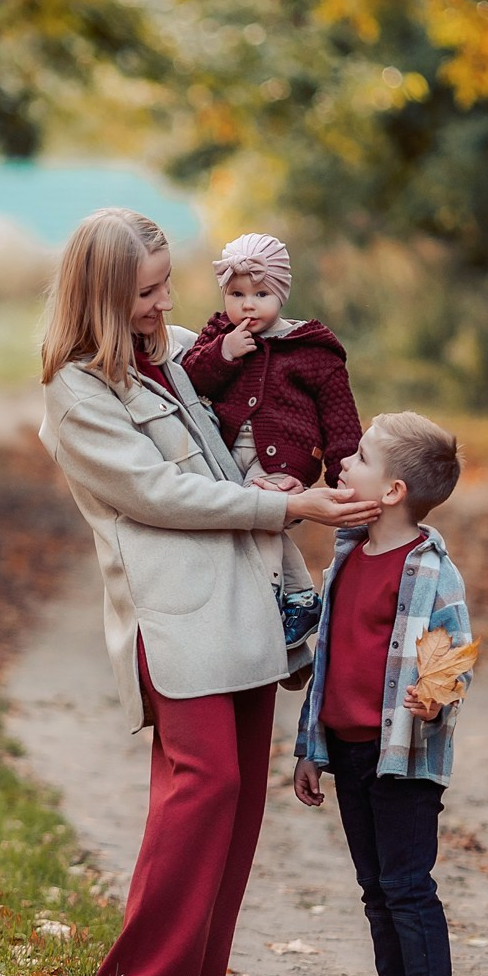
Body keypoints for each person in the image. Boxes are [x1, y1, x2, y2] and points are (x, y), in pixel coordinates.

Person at [38, 207, 379, 976]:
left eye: (165, 286)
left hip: (245, 594)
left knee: (241, 795)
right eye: (145, 293)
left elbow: (266, 407)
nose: (164, 304)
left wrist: (301, 465)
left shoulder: (181, 355)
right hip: (175, 611)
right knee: (203, 781)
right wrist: (285, 507)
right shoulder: (76, 389)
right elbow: (156, 493)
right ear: (100, 296)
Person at [291, 412, 476, 976]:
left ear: (393, 490)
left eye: (361, 456)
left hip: (401, 754)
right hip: (346, 747)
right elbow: (330, 655)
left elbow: (453, 653)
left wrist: (434, 693)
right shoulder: (348, 553)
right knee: (374, 885)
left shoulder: (428, 568)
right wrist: (310, 749)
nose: (345, 460)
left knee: (405, 884)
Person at [178, 232, 361, 660]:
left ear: (282, 293)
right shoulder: (219, 335)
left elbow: (340, 422)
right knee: (243, 517)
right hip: (225, 456)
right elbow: (190, 381)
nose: (248, 305)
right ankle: (301, 599)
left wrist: (344, 482)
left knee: (261, 514)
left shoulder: (312, 351)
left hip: (285, 460)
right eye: (237, 294)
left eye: (261, 294)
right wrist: (224, 353)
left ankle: (265, 603)